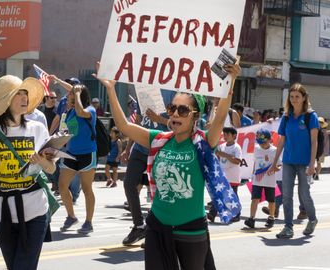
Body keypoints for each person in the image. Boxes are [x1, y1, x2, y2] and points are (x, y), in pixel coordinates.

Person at [95, 61, 241, 269]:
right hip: (157, 226)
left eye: (182, 110)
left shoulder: (204, 143)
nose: (174, 114)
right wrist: (110, 89)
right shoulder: (159, 139)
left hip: (191, 230)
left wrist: (231, 80)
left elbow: (219, 119)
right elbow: (124, 126)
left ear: (195, 116)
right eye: (172, 108)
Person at [0, 75, 55, 270]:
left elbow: (51, 168)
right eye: (18, 94)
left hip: (36, 210)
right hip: (3, 213)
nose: (25, 98)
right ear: (6, 101)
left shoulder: (38, 129)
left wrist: (42, 161)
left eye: (26, 94)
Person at [269, 83, 319, 239]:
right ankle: (288, 227)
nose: (294, 100)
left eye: (297, 96)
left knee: (304, 194)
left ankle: (312, 219)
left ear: (304, 98)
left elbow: (314, 141)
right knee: (286, 196)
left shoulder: (311, 116)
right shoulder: (286, 117)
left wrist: (312, 164)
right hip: (289, 161)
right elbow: (281, 141)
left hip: (304, 162)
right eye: (291, 97)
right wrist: (274, 162)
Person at [120, 106, 168, 246]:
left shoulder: (171, 93)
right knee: (129, 184)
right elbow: (137, 125)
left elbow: (177, 124)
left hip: (159, 150)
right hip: (139, 149)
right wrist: (128, 149)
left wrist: (159, 119)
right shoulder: (143, 93)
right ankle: (139, 226)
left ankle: (154, 230)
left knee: (159, 191)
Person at [58, 84, 97, 235]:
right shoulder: (69, 113)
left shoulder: (90, 110)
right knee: (62, 185)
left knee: (87, 188)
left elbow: (81, 112)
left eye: (70, 95)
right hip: (71, 153)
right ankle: (71, 216)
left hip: (87, 154)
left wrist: (78, 94)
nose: (67, 96)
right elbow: (67, 131)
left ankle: (89, 222)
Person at [207, 127, 242, 223]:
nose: (225, 136)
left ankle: (237, 214)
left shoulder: (236, 147)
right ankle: (212, 213)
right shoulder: (221, 146)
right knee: (218, 194)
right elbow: (217, 158)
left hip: (233, 176)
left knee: (232, 196)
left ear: (234, 136)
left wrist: (224, 155)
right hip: (222, 176)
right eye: (224, 134)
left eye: (227, 134)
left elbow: (237, 161)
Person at [245, 129, 277, 229]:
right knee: (255, 199)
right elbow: (255, 162)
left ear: (269, 140)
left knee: (271, 200)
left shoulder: (274, 150)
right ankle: (251, 219)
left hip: (269, 180)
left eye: (264, 143)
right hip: (257, 179)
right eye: (260, 143)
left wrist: (274, 169)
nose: (262, 145)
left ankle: (271, 217)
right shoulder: (257, 148)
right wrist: (252, 174)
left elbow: (279, 164)